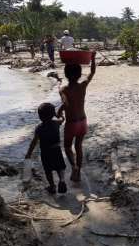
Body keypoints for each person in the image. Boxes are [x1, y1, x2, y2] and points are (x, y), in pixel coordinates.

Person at [58, 52, 96, 181]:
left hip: (71, 123)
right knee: (78, 146)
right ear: (80, 75)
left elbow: (65, 103)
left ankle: (73, 166)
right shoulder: (83, 85)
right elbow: (92, 73)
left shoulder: (63, 89)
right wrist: (93, 58)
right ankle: (78, 172)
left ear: (66, 74)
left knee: (68, 146)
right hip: (83, 122)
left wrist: (59, 112)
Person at [25, 103, 67, 194]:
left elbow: (34, 142)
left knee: (48, 170)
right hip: (57, 150)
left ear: (40, 117)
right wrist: (59, 115)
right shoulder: (56, 123)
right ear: (52, 114)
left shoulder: (39, 128)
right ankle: (62, 180)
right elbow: (62, 119)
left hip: (46, 152)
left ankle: (52, 186)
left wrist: (29, 153)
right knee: (60, 167)